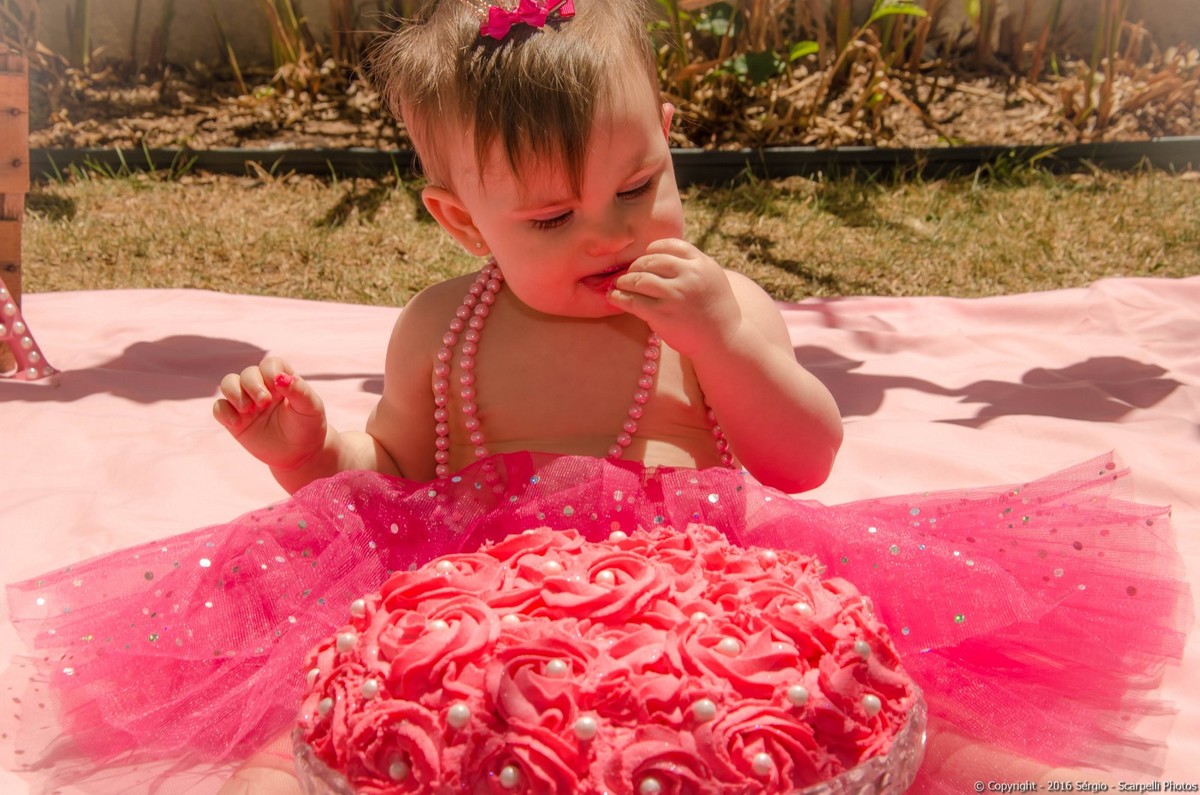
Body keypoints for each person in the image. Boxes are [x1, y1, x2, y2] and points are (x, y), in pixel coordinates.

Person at [2, 1, 1189, 794]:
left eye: (637, 186)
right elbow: (393, 479)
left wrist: (725, 341)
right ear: (462, 221)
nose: (610, 232)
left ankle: (1021, 782)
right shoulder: (442, 328)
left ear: (668, 140)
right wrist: (306, 452)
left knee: (858, 694)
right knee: (323, 707)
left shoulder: (713, 308)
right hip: (467, 621)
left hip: (705, 606)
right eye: (552, 217)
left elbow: (803, 458)